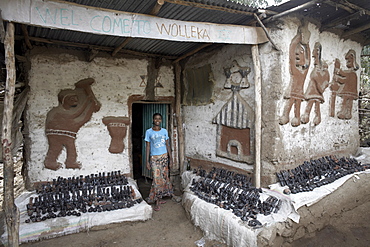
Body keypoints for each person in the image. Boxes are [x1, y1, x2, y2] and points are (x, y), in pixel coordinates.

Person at [44, 78, 101, 170]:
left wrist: (90, 104)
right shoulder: (57, 111)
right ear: (64, 100)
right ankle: (50, 162)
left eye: (76, 98)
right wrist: (87, 100)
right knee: (55, 148)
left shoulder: (66, 112)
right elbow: (76, 113)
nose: (75, 100)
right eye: (71, 99)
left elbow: (79, 115)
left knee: (72, 148)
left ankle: (70, 162)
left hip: (67, 132)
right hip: (56, 133)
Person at [145, 113, 174, 211]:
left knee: (164, 178)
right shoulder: (148, 132)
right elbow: (148, 147)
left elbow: (167, 145)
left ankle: (159, 198)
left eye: (159, 119)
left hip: (164, 157)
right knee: (156, 179)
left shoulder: (164, 131)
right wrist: (147, 161)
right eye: (156, 119)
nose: (157, 120)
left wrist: (171, 159)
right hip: (154, 158)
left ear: (161, 120)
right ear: (153, 120)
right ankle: (157, 201)